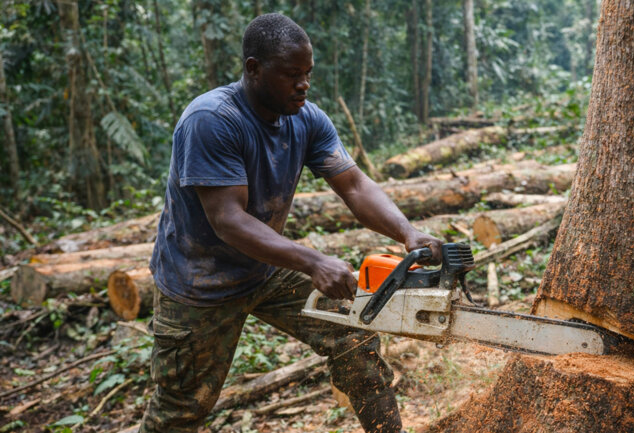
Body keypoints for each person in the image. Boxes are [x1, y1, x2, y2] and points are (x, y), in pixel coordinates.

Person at [139, 13, 443, 433]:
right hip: (199, 285)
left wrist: (408, 233)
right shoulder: (211, 120)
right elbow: (228, 220)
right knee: (180, 410)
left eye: (307, 73)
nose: (303, 84)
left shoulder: (307, 118)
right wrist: (313, 262)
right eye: (290, 74)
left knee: (354, 336)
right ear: (253, 68)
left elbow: (354, 186)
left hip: (264, 268)